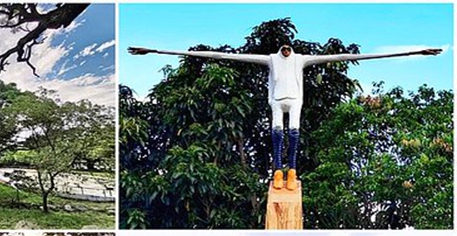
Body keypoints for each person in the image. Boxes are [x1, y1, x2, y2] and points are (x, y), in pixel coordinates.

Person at [127, 44, 441, 190]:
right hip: (277, 102)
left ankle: (291, 171)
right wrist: (155, 52)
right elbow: (221, 56)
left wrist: (414, 52)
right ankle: (278, 170)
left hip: (296, 101)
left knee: (294, 134)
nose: (287, 51)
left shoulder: (304, 59)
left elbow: (353, 55)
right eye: (284, 49)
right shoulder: (269, 59)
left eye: (290, 49)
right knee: (277, 132)